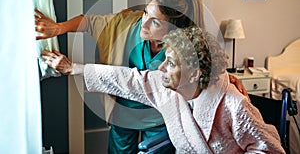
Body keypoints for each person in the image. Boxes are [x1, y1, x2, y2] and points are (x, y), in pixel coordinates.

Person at [36, 0, 248, 153]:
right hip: (124, 112)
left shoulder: (183, 47)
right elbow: (90, 22)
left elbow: (202, 67)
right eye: (146, 12)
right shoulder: (129, 24)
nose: (144, 23)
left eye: (155, 22)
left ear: (172, 28)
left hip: (161, 117)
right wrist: (58, 28)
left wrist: (225, 79)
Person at [41, 26, 285, 153]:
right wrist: (75, 68)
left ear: (194, 73)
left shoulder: (233, 104)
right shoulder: (165, 87)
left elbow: (270, 150)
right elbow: (127, 79)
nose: (161, 68)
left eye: (170, 63)